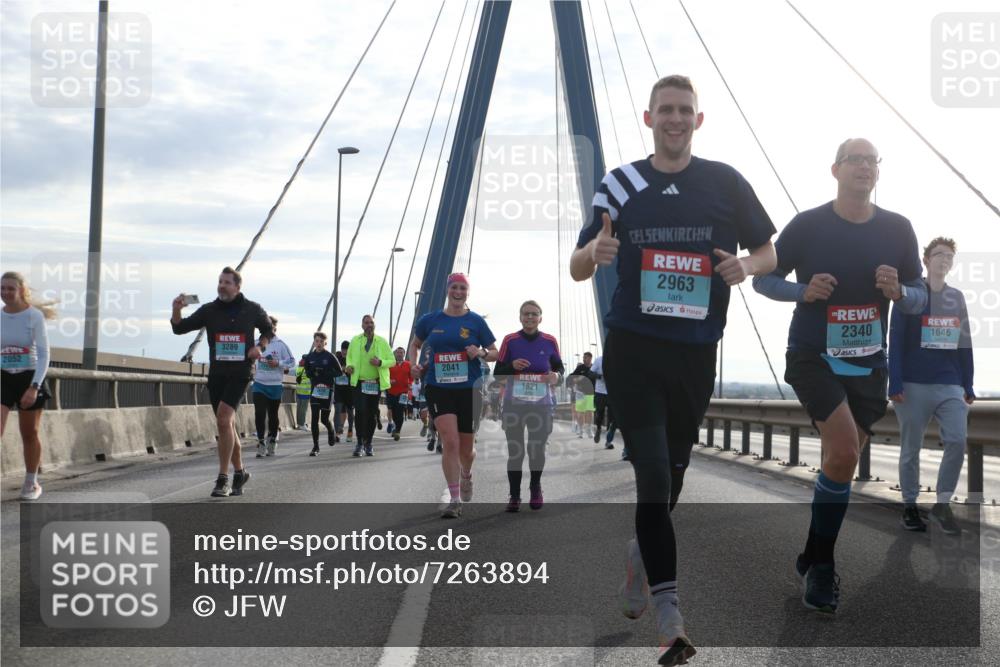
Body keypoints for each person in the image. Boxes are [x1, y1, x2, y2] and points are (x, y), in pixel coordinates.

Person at [571, 75, 777, 665]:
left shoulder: (725, 183)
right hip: (634, 347)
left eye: (685, 110)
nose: (675, 118)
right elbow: (577, 265)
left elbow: (768, 250)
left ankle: (641, 557)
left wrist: (746, 265)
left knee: (674, 481)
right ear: (649, 117)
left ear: (699, 119)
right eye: (666, 110)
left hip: (695, 352)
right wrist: (594, 253)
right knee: (655, 479)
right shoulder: (620, 183)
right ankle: (670, 618)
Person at [753, 137, 926, 614]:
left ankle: (811, 551)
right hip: (813, 355)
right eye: (855, 160)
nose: (865, 167)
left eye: (873, 160)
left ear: (878, 171)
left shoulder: (898, 229)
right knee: (845, 449)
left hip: (869, 364)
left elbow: (920, 296)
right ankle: (824, 567)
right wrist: (802, 291)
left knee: (839, 464)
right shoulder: (808, 225)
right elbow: (763, 278)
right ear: (835, 170)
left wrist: (900, 291)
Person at [889, 237, 973, 534]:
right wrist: (894, 380)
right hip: (912, 383)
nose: (944, 259)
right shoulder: (908, 294)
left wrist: (969, 383)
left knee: (957, 441)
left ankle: (942, 504)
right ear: (925, 260)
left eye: (949, 255)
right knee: (911, 448)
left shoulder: (957, 297)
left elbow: (965, 343)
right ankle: (910, 505)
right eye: (939, 254)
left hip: (949, 382)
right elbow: (895, 339)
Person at [172, 267, 273, 497]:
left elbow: (268, 330)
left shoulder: (252, 309)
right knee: (226, 425)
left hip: (241, 372)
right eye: (219, 281)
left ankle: (223, 479)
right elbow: (179, 328)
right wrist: (176, 310)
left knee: (223, 418)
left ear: (237, 287)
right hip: (217, 374)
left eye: (226, 282)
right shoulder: (209, 310)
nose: (222, 286)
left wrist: (260, 347)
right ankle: (240, 472)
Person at [409, 273, 497, 518]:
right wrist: (413, 365)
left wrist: (479, 352)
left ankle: (467, 475)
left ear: (467, 292)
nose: (458, 292)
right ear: (447, 290)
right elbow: (415, 344)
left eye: (463, 288)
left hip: (469, 389)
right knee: (450, 441)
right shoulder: (431, 320)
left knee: (467, 450)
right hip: (438, 386)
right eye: (454, 287)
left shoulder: (476, 322)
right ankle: (455, 498)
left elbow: (495, 353)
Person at [493, 300, 564, 512]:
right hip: (515, 404)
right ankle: (514, 495)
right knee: (516, 451)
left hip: (540, 405)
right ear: (520, 317)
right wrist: (511, 366)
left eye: (534, 314)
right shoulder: (510, 340)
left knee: (536, 449)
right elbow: (497, 374)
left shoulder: (550, 341)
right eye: (526, 314)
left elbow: (560, 371)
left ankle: (535, 486)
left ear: (540, 318)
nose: (530, 317)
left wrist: (556, 376)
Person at [1, 271, 56, 501]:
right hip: (3, 376)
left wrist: (34, 386)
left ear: (22, 290)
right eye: (2, 288)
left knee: (29, 433)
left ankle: (31, 482)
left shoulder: (33, 316)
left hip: (29, 377)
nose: (5, 293)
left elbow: (44, 354)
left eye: (10, 288)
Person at [345, 315, 394, 457]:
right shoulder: (355, 340)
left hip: (374, 383)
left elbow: (392, 361)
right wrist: (348, 366)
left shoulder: (382, 342)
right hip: (359, 382)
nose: (369, 325)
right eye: (366, 323)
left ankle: (369, 443)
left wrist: (380, 363)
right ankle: (359, 442)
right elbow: (349, 357)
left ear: (375, 325)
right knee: (360, 412)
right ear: (362, 325)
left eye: (371, 322)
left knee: (371, 413)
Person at [251, 316, 295, 457]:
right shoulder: (256, 343)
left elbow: (292, 362)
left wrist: (279, 363)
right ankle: (261, 441)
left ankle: (272, 440)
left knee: (273, 415)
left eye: (272, 328)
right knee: (259, 413)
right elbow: (249, 358)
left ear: (275, 328)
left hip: (275, 385)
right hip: (259, 383)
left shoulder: (281, 345)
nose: (270, 330)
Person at [304, 332, 343, 455]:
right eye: (317, 341)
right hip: (315, 390)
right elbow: (307, 372)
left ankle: (331, 430)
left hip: (327, 390)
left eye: (321, 341)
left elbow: (339, 372)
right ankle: (316, 447)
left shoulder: (330, 356)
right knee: (314, 418)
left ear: (325, 343)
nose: (319, 343)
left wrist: (325, 373)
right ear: (314, 342)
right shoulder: (309, 357)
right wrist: (313, 372)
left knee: (324, 418)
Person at [568, 352, 597, 438]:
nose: (583, 359)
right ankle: (581, 430)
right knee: (581, 412)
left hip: (591, 393)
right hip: (580, 393)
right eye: (583, 358)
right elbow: (571, 377)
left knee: (590, 412)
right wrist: (576, 379)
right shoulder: (580, 368)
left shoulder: (594, 367)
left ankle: (589, 429)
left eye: (585, 358)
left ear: (590, 358)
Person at [386, 346, 412, 441]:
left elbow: (412, 377)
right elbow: (385, 375)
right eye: (398, 352)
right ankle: (394, 426)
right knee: (392, 411)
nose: (399, 354)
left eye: (401, 352)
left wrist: (410, 384)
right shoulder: (390, 364)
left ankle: (397, 431)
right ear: (395, 354)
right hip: (391, 391)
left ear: (404, 354)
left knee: (400, 412)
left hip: (403, 392)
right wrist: (388, 380)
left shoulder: (408, 364)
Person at [591, 354, 617, 449]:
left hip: (612, 393)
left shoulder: (616, 360)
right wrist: (600, 376)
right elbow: (591, 373)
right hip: (600, 393)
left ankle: (608, 441)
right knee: (600, 415)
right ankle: (598, 428)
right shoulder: (598, 360)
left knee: (613, 417)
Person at [334, 340, 354, 443]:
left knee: (350, 412)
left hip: (349, 390)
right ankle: (337, 432)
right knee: (338, 410)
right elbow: (332, 370)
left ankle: (350, 430)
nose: (344, 352)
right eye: (343, 350)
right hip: (338, 389)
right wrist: (339, 370)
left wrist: (348, 370)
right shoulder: (337, 358)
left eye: (346, 350)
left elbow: (355, 371)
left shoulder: (352, 359)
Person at [294, 357, 312, 431]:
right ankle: (302, 424)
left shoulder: (298, 368)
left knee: (298, 409)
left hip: (298, 390)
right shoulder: (308, 369)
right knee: (303, 409)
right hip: (306, 391)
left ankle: (299, 424)